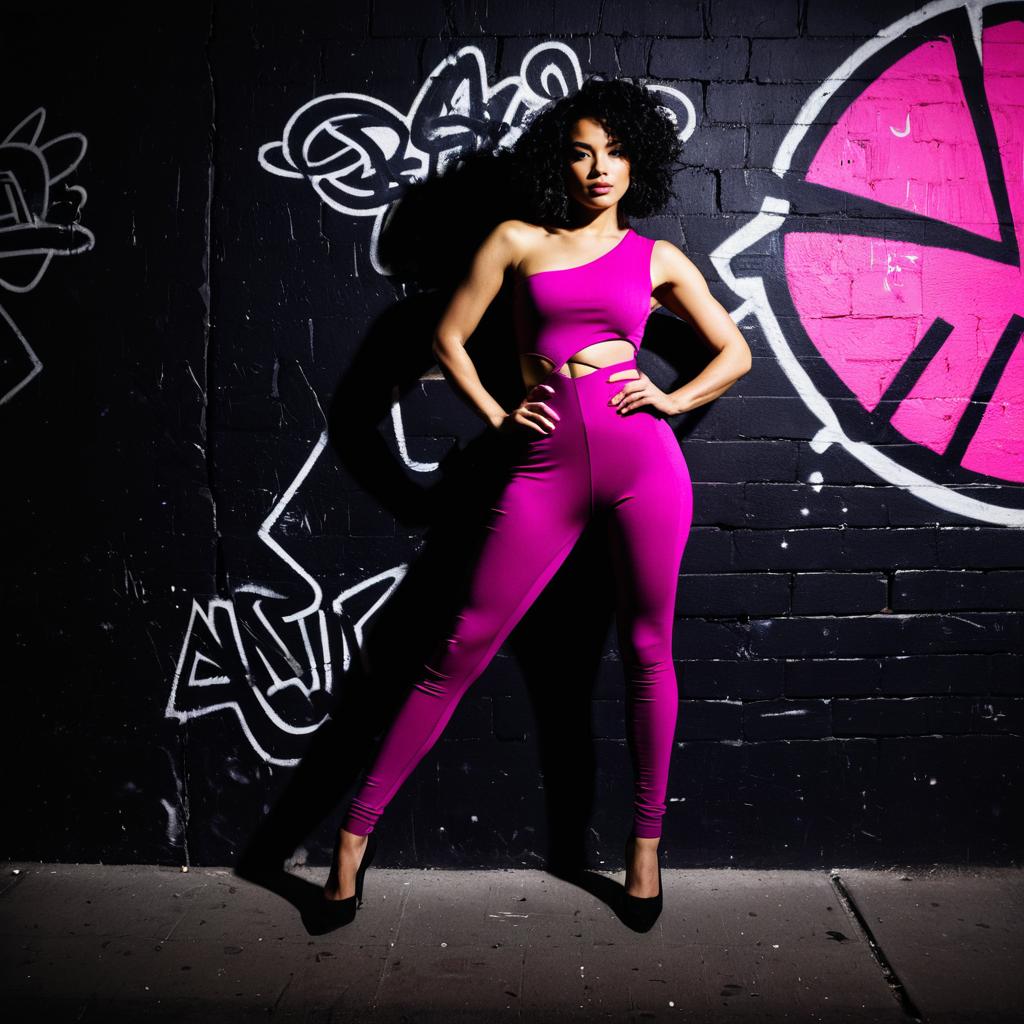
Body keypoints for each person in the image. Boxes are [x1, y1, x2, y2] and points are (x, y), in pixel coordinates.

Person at [320, 77, 752, 929]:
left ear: (639, 165)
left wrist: (671, 399)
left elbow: (733, 351)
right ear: (562, 158)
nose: (600, 167)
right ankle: (351, 844)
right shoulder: (518, 239)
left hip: (644, 463)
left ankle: (644, 852)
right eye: (584, 150)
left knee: (646, 649)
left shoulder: (657, 259)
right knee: (461, 645)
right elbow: (447, 336)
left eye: (617, 151)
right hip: (542, 463)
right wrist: (494, 416)